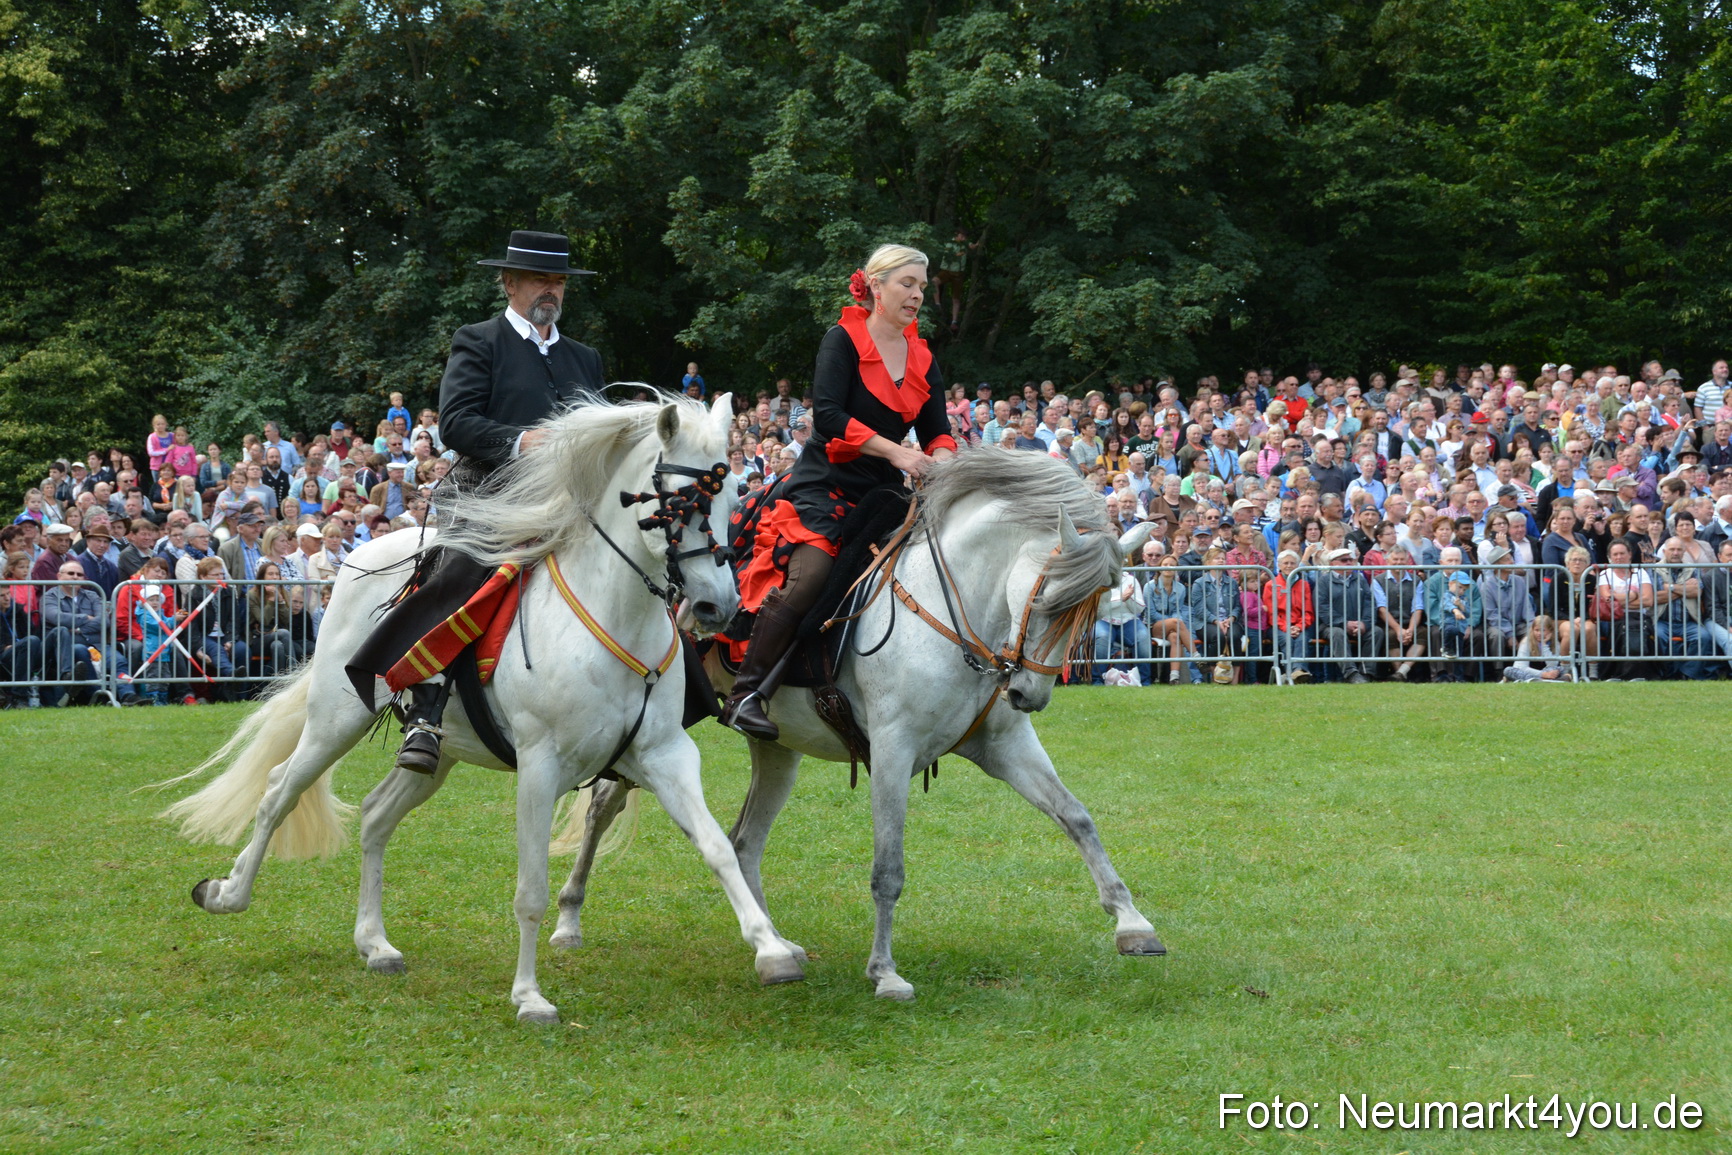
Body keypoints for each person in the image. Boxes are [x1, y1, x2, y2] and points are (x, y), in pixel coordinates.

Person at [346, 230, 605, 772]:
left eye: (558, 280)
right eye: (538, 279)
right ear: (509, 283)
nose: (550, 289)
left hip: (568, 501)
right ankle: (426, 709)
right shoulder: (479, 340)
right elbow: (458, 422)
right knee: (459, 572)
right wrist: (521, 440)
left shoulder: (585, 358)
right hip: (489, 493)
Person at [721, 245, 957, 737]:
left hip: (883, 494)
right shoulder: (842, 339)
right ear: (876, 285)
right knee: (813, 574)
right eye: (907, 283)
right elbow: (827, 417)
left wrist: (942, 460)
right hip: (823, 484)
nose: (917, 294)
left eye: (921, 285)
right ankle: (746, 694)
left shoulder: (923, 355)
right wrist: (899, 454)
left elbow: (937, 430)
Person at [1092, 568, 1152, 684]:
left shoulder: (1131, 580)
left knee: (1143, 637)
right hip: (1103, 619)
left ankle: (1145, 681)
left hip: (1128, 620)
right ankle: (1097, 681)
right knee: (1102, 636)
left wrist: (1129, 598)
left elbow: (1139, 608)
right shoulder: (1098, 579)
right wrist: (1121, 599)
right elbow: (1099, 607)